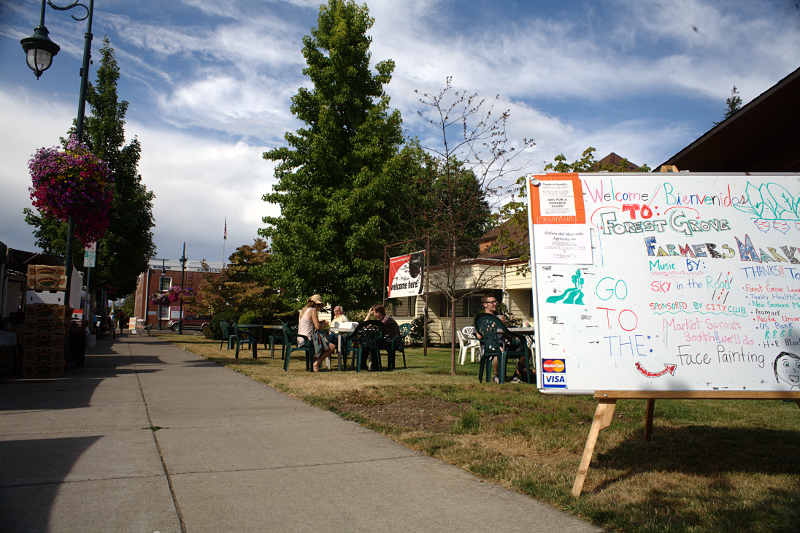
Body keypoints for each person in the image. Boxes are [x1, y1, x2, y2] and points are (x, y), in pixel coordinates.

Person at [478, 295, 529, 384]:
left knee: (526, 351)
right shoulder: (482, 319)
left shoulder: (499, 317)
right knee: (499, 351)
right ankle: (497, 376)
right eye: (492, 302)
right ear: (485, 305)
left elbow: (509, 336)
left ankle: (515, 376)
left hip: (504, 345)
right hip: (490, 346)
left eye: (495, 302)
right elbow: (479, 336)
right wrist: (492, 326)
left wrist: (504, 325)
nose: (495, 304)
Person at [298, 294, 336, 372]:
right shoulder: (313, 310)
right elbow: (317, 327)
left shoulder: (304, 310)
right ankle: (315, 364)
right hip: (308, 339)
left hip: (301, 338)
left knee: (324, 344)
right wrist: (324, 324)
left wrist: (321, 322)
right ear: (317, 304)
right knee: (331, 346)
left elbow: (311, 322)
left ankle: (313, 363)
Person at [365, 304, 401, 369]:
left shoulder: (387, 319)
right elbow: (364, 325)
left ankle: (375, 365)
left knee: (373, 341)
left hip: (394, 341)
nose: (375, 314)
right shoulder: (379, 320)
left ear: (381, 312)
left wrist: (368, 326)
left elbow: (376, 327)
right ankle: (365, 365)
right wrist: (369, 314)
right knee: (368, 342)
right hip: (386, 340)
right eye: (374, 312)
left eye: (377, 312)